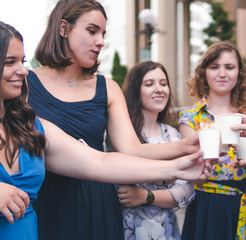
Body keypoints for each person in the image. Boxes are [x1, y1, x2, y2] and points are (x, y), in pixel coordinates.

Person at [0, 18, 213, 240]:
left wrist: (176, 166)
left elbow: (100, 162)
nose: (22, 71)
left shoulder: (31, 127)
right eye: (10, 62)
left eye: (22, 61)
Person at [26, 1, 199, 239]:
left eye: (103, 34)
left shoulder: (107, 87)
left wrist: (186, 146)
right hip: (48, 199)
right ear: (64, 29)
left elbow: (132, 150)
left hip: (98, 200)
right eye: (92, 30)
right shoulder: (25, 84)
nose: (101, 41)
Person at [178, 41, 246, 240]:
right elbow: (190, 177)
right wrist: (204, 170)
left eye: (229, 67)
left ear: (240, 73)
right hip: (206, 206)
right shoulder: (190, 118)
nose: (222, 74)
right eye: (214, 67)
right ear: (204, 73)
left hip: (243, 204)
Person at [117, 60, 195, 240]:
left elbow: (186, 190)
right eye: (149, 84)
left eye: (164, 83)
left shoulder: (173, 135)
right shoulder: (122, 135)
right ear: (136, 90)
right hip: (125, 226)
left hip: (165, 228)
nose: (159, 89)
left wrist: (146, 196)